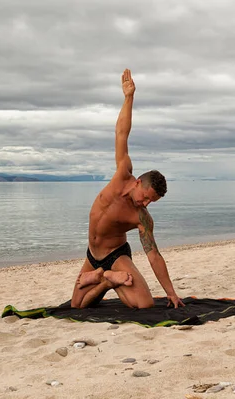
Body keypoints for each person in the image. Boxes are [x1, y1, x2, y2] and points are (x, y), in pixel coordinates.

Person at [70, 69, 185, 310]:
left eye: (151, 202)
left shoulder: (141, 217)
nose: (146, 204)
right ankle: (105, 280)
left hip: (116, 254)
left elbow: (153, 255)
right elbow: (122, 133)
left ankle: (111, 276)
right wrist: (129, 97)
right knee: (76, 306)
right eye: (146, 197)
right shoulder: (123, 173)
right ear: (137, 183)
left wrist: (171, 293)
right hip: (92, 255)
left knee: (144, 305)